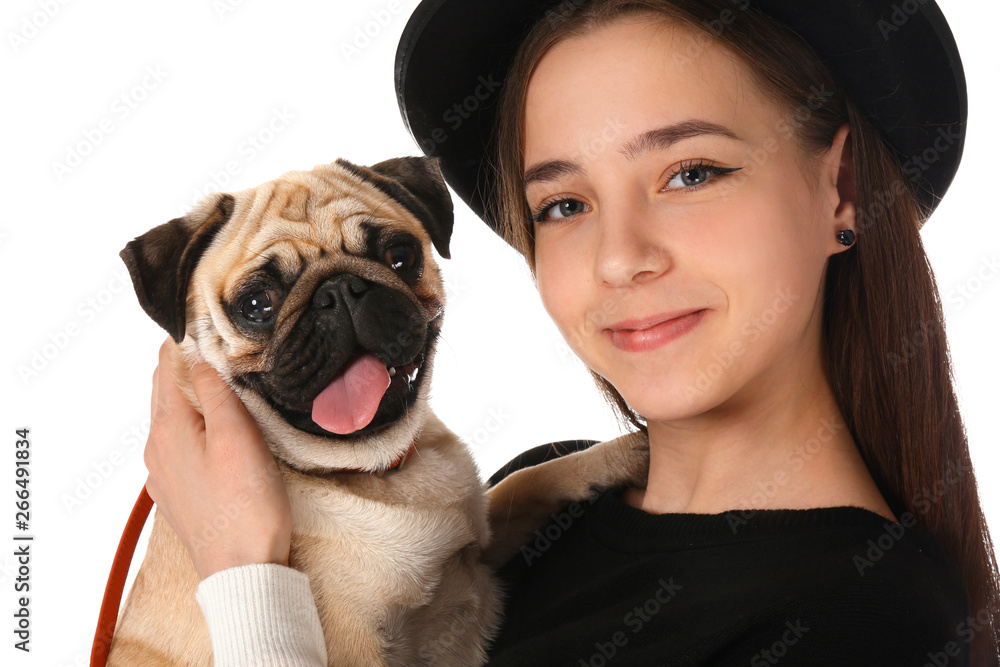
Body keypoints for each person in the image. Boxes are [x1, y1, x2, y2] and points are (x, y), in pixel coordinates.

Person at [142, 0, 1000, 664]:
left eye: (690, 172)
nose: (620, 258)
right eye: (564, 204)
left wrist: (243, 576)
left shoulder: (865, 617)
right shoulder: (540, 517)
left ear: (842, 188)